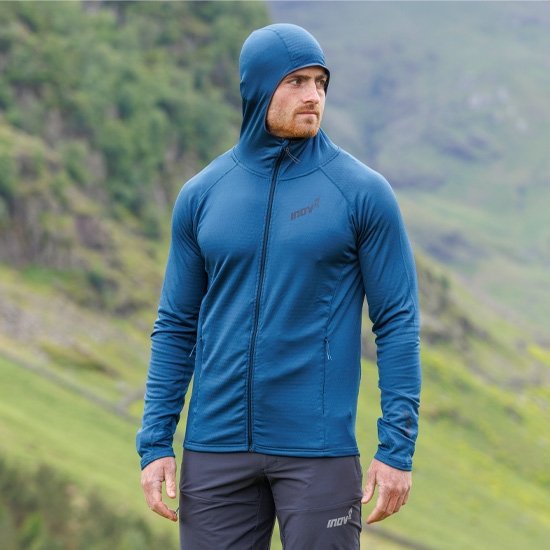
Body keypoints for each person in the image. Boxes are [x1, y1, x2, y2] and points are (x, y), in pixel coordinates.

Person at [137, 23, 421, 549]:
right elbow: (176, 325)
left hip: (318, 451)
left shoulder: (363, 193)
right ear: (258, 87)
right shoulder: (202, 194)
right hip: (215, 449)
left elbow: (398, 323)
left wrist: (396, 450)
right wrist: (155, 443)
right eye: (296, 81)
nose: (313, 96)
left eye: (320, 82)